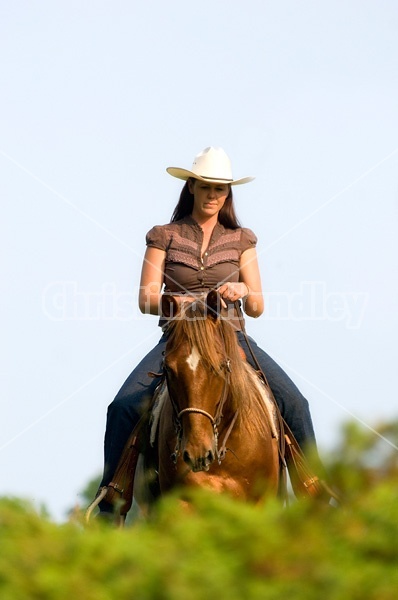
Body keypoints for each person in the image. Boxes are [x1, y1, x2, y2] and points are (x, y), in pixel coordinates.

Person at [98, 146, 319, 514]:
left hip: (230, 337)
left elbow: (258, 305)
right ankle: (111, 498)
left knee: (295, 402)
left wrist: (243, 290)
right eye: (206, 187)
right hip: (180, 338)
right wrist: (180, 302)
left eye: (221, 189)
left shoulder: (241, 239)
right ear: (191, 187)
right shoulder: (163, 236)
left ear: (228, 193)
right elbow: (146, 297)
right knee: (121, 407)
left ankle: (315, 493)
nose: (213, 195)